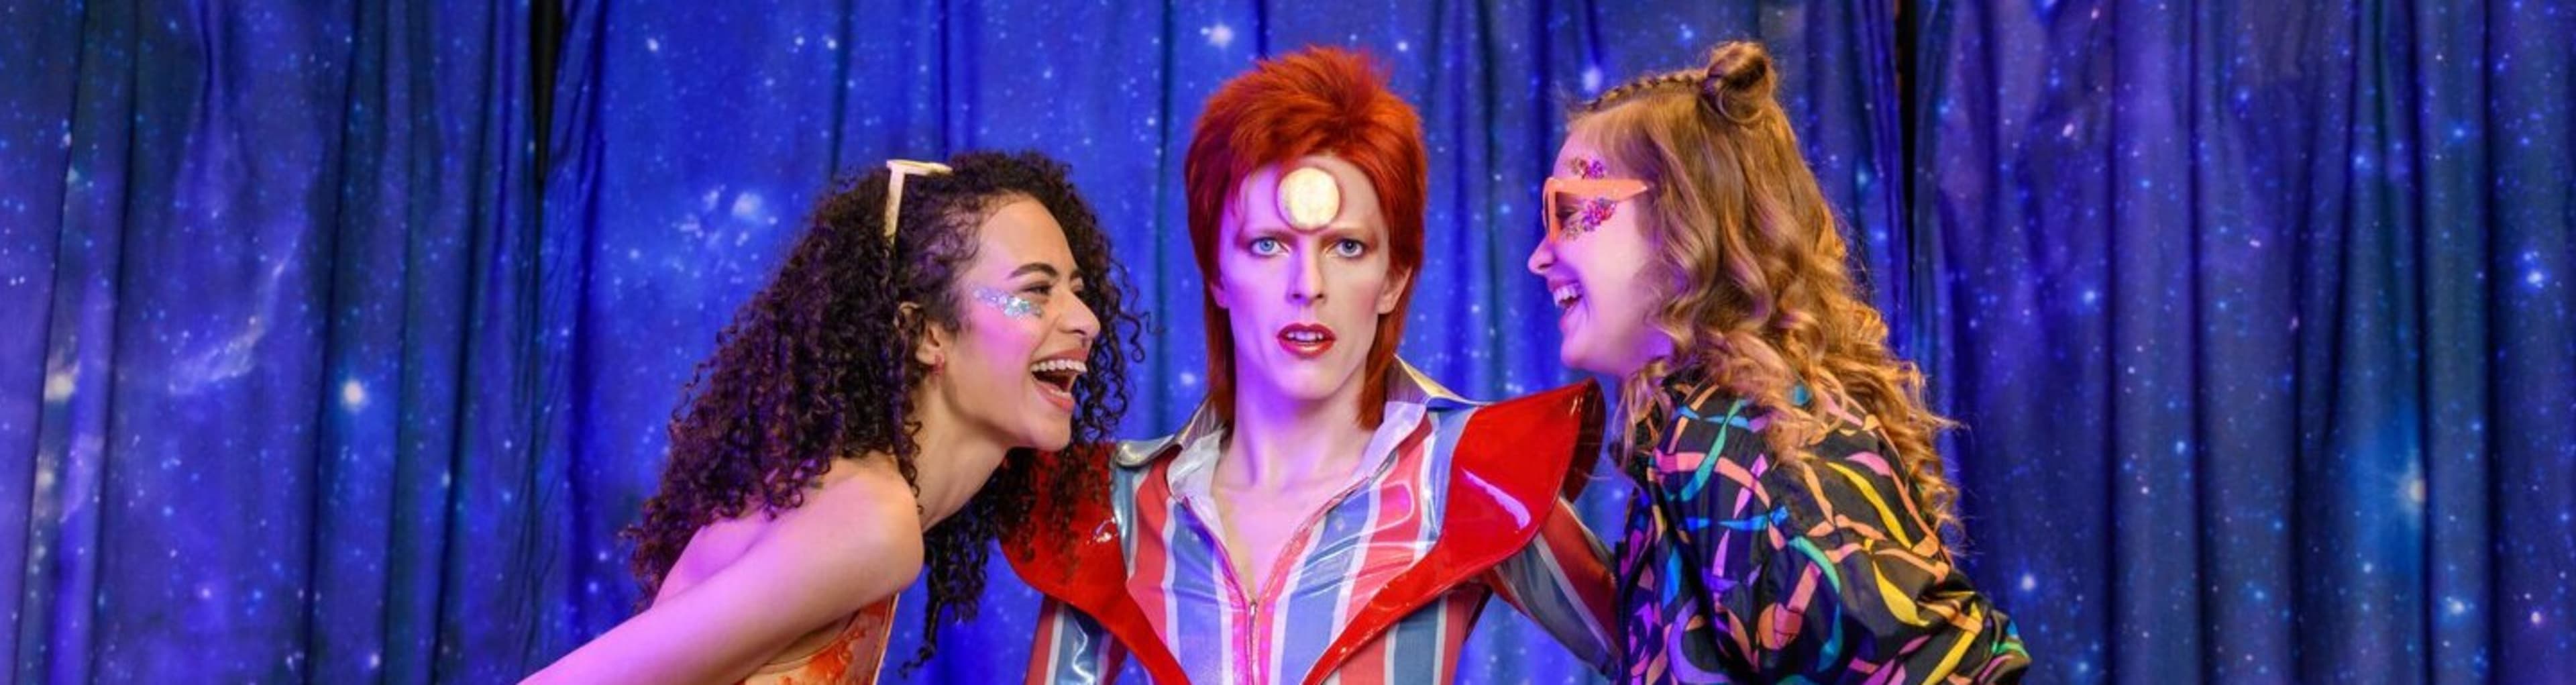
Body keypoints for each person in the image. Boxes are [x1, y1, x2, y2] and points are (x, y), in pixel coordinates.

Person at [1008, 47, 1620, 685]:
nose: (1308, 284)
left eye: (1347, 247)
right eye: (1268, 244)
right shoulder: (1119, 509)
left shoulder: (1472, 473)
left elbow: (1678, 658)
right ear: (1217, 271)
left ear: (1393, 278)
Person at [527, 152, 1142, 684]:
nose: (1085, 320)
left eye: (1077, 289)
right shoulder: (873, 517)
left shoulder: (872, 505)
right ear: (927, 332)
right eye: (1036, 290)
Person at [1524, 42, 2029, 683]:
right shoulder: (1704, 431)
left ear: (1686, 219)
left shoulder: (1741, 442)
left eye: (1570, 210)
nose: (1541, 255)